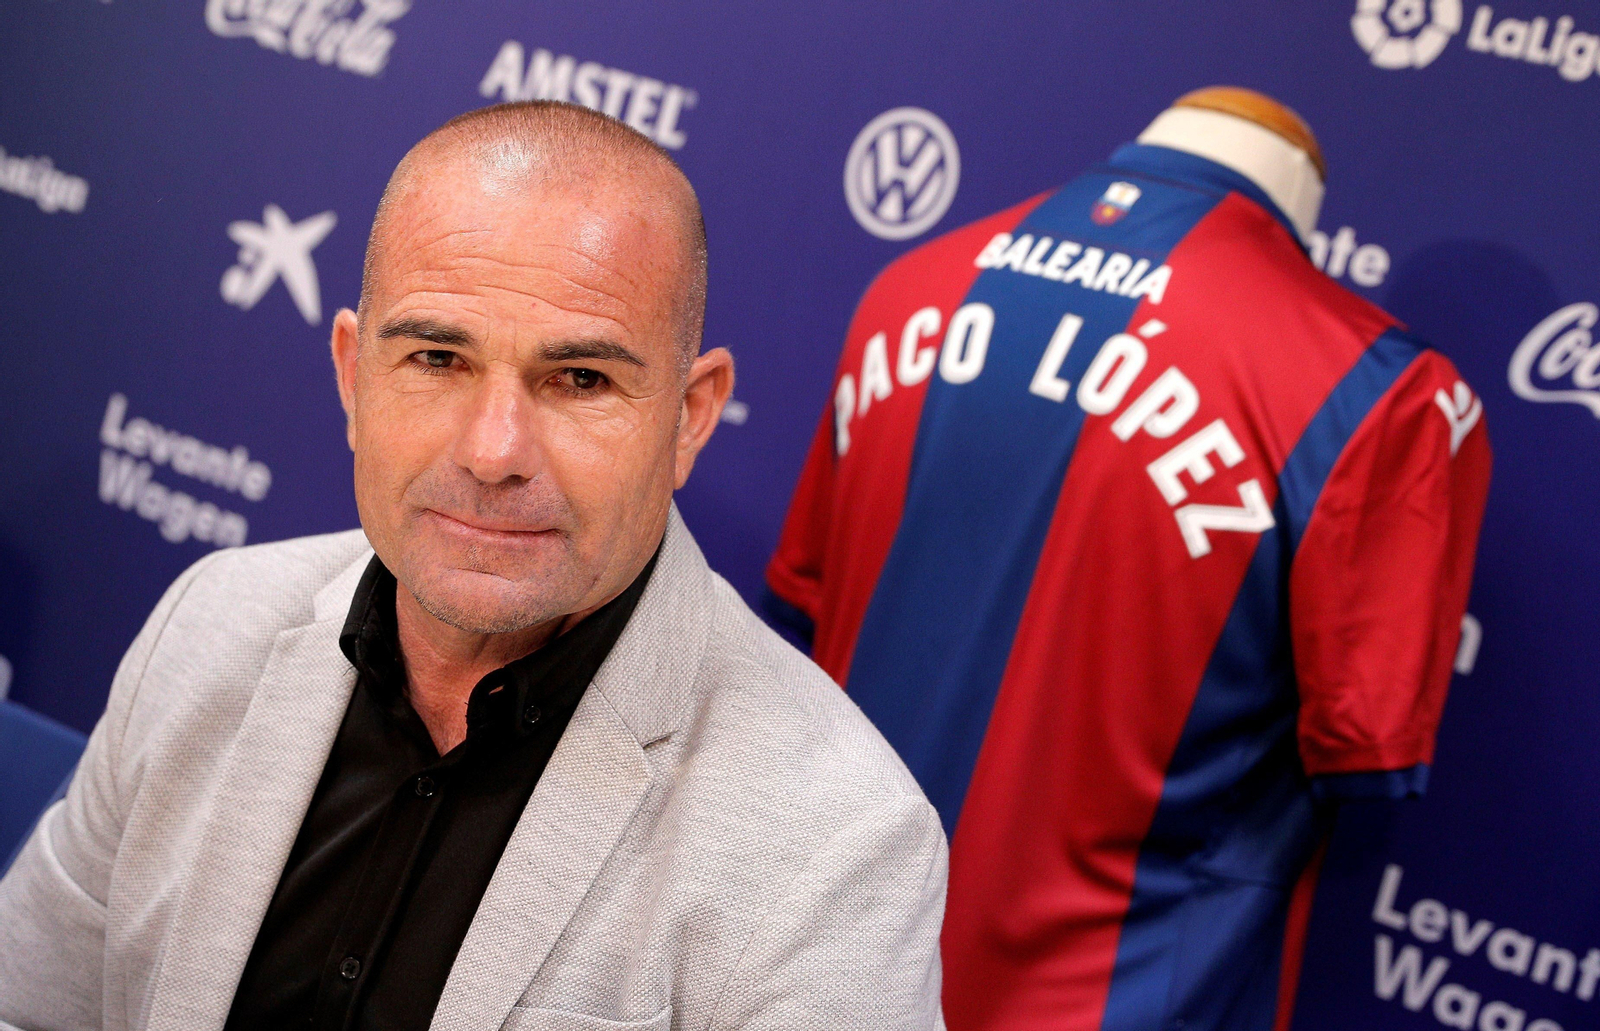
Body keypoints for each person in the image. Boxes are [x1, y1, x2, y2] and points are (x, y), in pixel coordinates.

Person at [0, 102, 947, 1031]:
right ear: (353, 376)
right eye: (437, 358)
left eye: (581, 379)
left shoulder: (836, 846)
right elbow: (29, 1005)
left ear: (690, 418)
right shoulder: (210, 620)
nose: (494, 452)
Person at [764, 88, 1490, 1030]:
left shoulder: (911, 283)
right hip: (1113, 994)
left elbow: (805, 606)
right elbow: (1367, 754)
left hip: (816, 965)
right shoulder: (1380, 393)